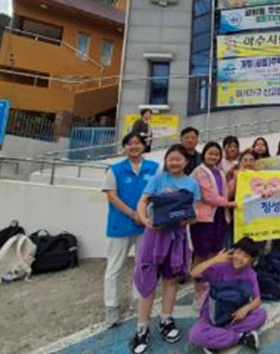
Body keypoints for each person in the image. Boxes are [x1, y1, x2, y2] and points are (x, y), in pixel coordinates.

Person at [130, 144, 202, 354]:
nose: (174, 162)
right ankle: (142, 328)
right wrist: (146, 221)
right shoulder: (158, 178)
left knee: (171, 279)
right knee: (148, 280)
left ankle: (166, 320)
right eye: (171, 159)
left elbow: (195, 212)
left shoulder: (191, 183)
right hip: (155, 236)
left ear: (186, 161)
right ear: (166, 161)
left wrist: (187, 220)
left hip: (177, 237)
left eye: (179, 159)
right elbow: (142, 202)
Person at [101, 133, 159, 329]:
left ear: (144, 146)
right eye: (129, 143)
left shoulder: (154, 168)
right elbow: (112, 196)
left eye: (137, 143)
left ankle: (137, 302)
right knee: (114, 268)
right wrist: (134, 214)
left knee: (142, 265)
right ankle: (111, 307)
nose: (134, 146)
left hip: (145, 225)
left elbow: (157, 193)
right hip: (120, 225)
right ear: (124, 147)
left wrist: (144, 216)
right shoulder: (115, 170)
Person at [188, 238, 267, 353]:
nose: (240, 258)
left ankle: (218, 339)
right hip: (214, 315)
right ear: (233, 252)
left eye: (246, 256)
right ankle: (241, 337)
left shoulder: (250, 274)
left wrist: (246, 308)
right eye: (238, 252)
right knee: (195, 334)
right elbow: (193, 273)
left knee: (261, 314)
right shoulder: (220, 267)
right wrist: (214, 260)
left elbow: (257, 300)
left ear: (251, 261)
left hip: (235, 316)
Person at [191, 142, 237, 307]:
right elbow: (208, 195)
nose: (213, 157)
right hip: (203, 218)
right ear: (204, 154)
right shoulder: (199, 172)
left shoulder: (220, 172)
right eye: (210, 153)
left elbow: (225, 192)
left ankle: (210, 290)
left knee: (214, 253)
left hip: (219, 216)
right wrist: (229, 204)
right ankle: (198, 292)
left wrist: (237, 179)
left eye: (216, 154)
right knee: (201, 254)